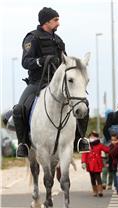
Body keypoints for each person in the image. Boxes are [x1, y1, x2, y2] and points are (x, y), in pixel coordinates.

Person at [13, 7, 89, 157]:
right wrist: (41, 61)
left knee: (83, 103)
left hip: (58, 84)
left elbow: (66, 63)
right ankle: (23, 144)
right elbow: (25, 62)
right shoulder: (32, 38)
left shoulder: (58, 40)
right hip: (37, 82)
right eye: (56, 20)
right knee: (19, 109)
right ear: (46, 22)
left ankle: (79, 139)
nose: (58, 23)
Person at [81, 131, 110, 197]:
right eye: (91, 136)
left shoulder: (100, 145)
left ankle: (100, 191)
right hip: (90, 164)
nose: (92, 138)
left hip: (97, 164)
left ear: (96, 137)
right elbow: (84, 154)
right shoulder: (87, 145)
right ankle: (95, 191)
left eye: (93, 136)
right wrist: (83, 162)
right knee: (92, 178)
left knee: (98, 177)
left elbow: (107, 150)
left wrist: (113, 146)